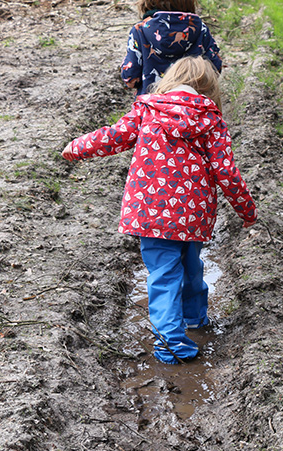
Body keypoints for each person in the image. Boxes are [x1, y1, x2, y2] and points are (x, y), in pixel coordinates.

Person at [62, 56, 256, 364]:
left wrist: (78, 146)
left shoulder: (148, 110)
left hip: (149, 212)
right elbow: (227, 172)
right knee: (192, 266)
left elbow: (113, 137)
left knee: (164, 274)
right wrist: (246, 209)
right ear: (208, 89)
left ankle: (170, 342)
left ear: (169, 80)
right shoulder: (211, 120)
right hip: (193, 213)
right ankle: (194, 318)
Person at [121, 0, 223, 97]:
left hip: (153, 111)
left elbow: (130, 79)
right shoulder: (199, 29)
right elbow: (215, 68)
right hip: (192, 108)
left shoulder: (139, 31)